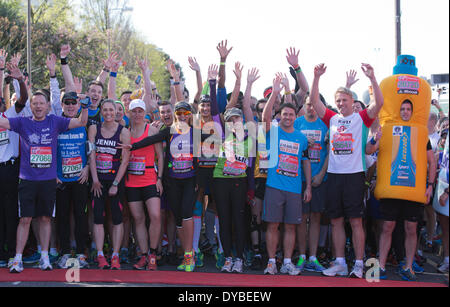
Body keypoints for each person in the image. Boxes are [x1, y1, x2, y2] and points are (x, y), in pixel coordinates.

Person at [1, 86, 88, 273]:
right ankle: (17, 259)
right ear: (31, 106)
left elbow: (81, 122)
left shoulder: (55, 121)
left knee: (45, 218)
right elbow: (3, 122)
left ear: (48, 106)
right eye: (35, 103)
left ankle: (45, 257)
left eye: (42, 103)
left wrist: (86, 105)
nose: (38, 106)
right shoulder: (22, 122)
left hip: (48, 180)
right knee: (25, 219)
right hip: (27, 180)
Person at [309, 63, 384, 279]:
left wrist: (372, 77)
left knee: (356, 221)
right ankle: (340, 262)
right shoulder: (332, 118)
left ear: (353, 102)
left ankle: (359, 265)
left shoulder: (361, 118)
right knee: (335, 221)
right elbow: (314, 101)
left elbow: (378, 103)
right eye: (338, 100)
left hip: (354, 177)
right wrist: (316, 77)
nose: (341, 103)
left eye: (345, 100)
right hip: (334, 176)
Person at [377, 100, 436, 281]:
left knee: (411, 228)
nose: (405, 111)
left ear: (412, 111)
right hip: (392, 189)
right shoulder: (387, 129)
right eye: (402, 108)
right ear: (398, 110)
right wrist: (375, 138)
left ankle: (408, 266)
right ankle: (380, 266)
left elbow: (432, 162)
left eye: (408, 109)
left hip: (413, 190)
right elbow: (370, 149)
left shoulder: (421, 133)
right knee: (387, 227)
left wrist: (430, 185)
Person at [261, 74, 312, 276]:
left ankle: (288, 262)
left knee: (291, 226)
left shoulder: (301, 137)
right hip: (274, 186)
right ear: (280, 116)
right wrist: (275, 92)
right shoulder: (272, 131)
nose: (288, 117)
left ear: (295, 117)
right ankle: (272, 261)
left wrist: (308, 186)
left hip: (294, 188)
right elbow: (265, 117)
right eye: (285, 114)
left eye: (291, 115)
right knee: (273, 225)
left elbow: (305, 161)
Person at [88, 99, 131, 270]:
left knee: (117, 218)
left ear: (116, 112)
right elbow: (91, 154)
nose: (108, 113)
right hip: (98, 180)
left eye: (111, 110)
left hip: (115, 180)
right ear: (101, 111)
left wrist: (115, 183)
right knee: (98, 217)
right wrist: (95, 179)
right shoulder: (94, 128)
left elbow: (125, 161)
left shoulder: (123, 131)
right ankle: (99, 254)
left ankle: (115, 255)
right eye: (104, 110)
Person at [125, 99, 164, 271]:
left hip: (149, 178)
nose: (137, 114)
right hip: (132, 180)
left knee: (155, 215)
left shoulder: (152, 130)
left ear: (144, 113)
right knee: (138, 219)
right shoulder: (126, 132)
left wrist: (159, 178)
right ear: (129, 113)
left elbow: (160, 156)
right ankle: (143, 254)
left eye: (140, 111)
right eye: (134, 111)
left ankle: (153, 254)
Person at [294, 96, 329, 273]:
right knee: (301, 218)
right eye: (308, 104)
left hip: (319, 178)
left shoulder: (325, 124)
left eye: (314, 104)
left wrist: (322, 174)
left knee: (316, 217)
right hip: (298, 178)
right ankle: (301, 256)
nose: (311, 107)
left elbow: (332, 152)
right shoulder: (297, 123)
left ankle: (313, 257)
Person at [55, 92, 90, 269]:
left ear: (78, 105)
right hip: (60, 180)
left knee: (80, 216)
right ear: (61, 105)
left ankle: (82, 253)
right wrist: (53, 173)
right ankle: (65, 252)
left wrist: (88, 167)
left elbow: (92, 149)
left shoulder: (85, 123)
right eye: (66, 103)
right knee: (62, 217)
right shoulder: (56, 123)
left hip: (80, 178)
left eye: (73, 103)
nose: (70, 106)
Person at [0, 58, 28, 268]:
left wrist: (19, 80)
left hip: (10, 169)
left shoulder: (10, 115)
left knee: (11, 211)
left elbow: (23, 99)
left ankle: (10, 251)